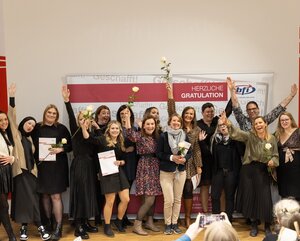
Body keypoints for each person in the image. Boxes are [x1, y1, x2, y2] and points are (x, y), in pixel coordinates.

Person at [221, 113, 279, 237]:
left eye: (260, 123)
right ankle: (253, 225)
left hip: (262, 170)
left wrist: (273, 161)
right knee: (250, 197)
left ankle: (267, 226)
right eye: (256, 123)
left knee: (265, 198)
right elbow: (237, 133)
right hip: (248, 170)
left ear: (265, 124)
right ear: (253, 126)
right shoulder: (250, 136)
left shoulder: (272, 138)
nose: (258, 125)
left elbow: (275, 154)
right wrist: (228, 123)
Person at [8, 84, 50, 241]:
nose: (31, 126)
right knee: (25, 200)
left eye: (33, 124)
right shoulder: (16, 134)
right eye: (28, 123)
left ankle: (25, 227)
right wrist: (12, 98)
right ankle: (38, 227)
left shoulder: (31, 139)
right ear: (23, 123)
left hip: (32, 173)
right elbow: (11, 117)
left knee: (32, 199)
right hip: (20, 173)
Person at [81, 120, 130, 238]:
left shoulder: (120, 141)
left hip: (119, 172)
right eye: (112, 128)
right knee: (110, 201)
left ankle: (118, 221)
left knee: (126, 199)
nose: (115, 130)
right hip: (107, 173)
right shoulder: (102, 139)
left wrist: (121, 162)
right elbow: (88, 138)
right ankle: (107, 226)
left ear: (120, 130)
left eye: (117, 128)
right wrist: (83, 127)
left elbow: (124, 159)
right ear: (108, 129)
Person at [62, 85, 98, 239]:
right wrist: (66, 101)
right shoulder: (76, 131)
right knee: (80, 194)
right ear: (78, 121)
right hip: (79, 165)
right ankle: (78, 226)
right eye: (81, 118)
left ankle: (84, 222)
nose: (84, 121)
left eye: (86, 118)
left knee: (88, 194)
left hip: (89, 166)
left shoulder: (92, 133)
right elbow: (71, 116)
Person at [32, 104, 72, 240]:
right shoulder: (37, 127)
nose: (51, 115)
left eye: (54, 113)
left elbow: (69, 145)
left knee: (56, 196)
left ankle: (58, 227)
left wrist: (60, 149)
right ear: (45, 113)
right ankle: (48, 223)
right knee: (44, 196)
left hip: (57, 167)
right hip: (42, 167)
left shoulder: (61, 128)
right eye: (49, 112)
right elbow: (30, 142)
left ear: (57, 116)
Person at [166, 82, 203, 227]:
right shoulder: (177, 125)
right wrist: (170, 94)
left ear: (194, 116)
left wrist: (199, 165)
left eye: (191, 114)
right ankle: (175, 219)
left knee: (188, 190)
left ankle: (187, 217)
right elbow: (171, 111)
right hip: (175, 161)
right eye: (186, 113)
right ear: (182, 115)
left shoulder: (196, 129)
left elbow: (196, 149)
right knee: (175, 192)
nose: (188, 115)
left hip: (190, 164)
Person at [123, 113, 162, 235]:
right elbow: (129, 133)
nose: (150, 126)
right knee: (149, 200)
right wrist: (128, 119)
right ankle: (137, 224)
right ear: (143, 126)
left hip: (155, 167)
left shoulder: (157, 137)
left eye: (152, 124)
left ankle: (149, 222)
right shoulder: (139, 136)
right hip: (145, 167)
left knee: (152, 197)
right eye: (148, 124)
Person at [158, 113, 192, 235]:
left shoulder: (184, 135)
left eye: (178, 121)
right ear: (169, 122)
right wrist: (172, 157)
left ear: (180, 123)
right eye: (174, 121)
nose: (176, 123)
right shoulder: (163, 136)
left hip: (181, 172)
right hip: (166, 172)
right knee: (169, 200)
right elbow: (159, 154)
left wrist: (185, 159)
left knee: (177, 200)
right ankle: (167, 224)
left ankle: (174, 223)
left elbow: (190, 153)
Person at [196, 98, 232, 214]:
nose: (210, 113)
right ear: (202, 113)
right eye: (207, 111)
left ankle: (222, 212)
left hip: (218, 160)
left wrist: (232, 94)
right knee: (205, 186)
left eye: (212, 111)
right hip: (204, 161)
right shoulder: (198, 124)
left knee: (220, 187)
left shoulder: (218, 120)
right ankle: (206, 212)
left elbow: (228, 111)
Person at [227, 77, 298, 131]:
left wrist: (291, 95)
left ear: (258, 110)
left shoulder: (264, 120)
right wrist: (232, 91)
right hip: (246, 150)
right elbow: (236, 106)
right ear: (247, 111)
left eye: (254, 108)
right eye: (249, 109)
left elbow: (278, 109)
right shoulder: (243, 121)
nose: (252, 111)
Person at [209, 118, 243, 222]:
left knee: (229, 197)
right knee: (215, 196)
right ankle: (216, 219)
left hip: (231, 172)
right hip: (217, 172)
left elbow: (242, 152)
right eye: (220, 126)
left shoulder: (236, 139)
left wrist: (232, 135)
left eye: (225, 125)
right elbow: (209, 155)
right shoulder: (214, 140)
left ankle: (228, 219)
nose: (223, 127)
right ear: (218, 128)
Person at [116, 104, 138, 227]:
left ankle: (124, 217)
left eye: (127, 113)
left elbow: (138, 143)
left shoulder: (135, 128)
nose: (124, 115)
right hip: (121, 161)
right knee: (121, 191)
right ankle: (120, 217)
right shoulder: (117, 127)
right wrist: (123, 148)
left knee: (128, 190)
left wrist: (132, 147)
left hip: (131, 161)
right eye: (122, 114)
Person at [275, 112, 300, 201]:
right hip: (282, 168)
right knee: (285, 193)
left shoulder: (298, 131)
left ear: (291, 120)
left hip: (296, 167)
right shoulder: (277, 134)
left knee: (296, 192)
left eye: (286, 120)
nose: (284, 122)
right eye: (282, 120)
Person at [0, 111, 17, 241]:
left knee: (2, 205)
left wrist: (11, 158)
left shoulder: (6, 134)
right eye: (1, 120)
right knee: (4, 206)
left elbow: (13, 155)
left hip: (5, 172)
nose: (4, 122)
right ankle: (11, 235)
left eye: (5, 119)